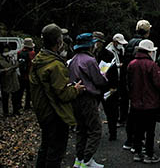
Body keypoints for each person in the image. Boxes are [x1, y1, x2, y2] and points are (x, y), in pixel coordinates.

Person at [30, 23, 85, 168]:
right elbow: (63, 94)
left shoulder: (39, 59)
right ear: (59, 42)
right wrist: (76, 89)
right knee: (55, 153)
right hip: (56, 114)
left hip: (44, 111)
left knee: (46, 148)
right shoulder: (55, 65)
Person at [69, 33, 109, 168]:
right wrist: (104, 76)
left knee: (81, 129)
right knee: (95, 128)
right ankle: (87, 160)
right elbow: (98, 80)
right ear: (89, 46)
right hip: (88, 97)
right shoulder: (90, 60)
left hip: (76, 97)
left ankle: (78, 159)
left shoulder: (73, 59)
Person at [128, 38, 160, 164]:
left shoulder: (131, 64)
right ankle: (149, 154)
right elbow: (158, 84)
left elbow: (129, 83)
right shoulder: (152, 65)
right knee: (150, 130)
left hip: (136, 102)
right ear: (149, 51)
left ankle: (137, 152)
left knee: (138, 129)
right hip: (151, 102)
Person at [122, 19, 152, 150]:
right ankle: (138, 141)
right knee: (141, 115)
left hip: (130, 81)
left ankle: (129, 139)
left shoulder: (129, 43)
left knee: (132, 112)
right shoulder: (144, 44)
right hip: (141, 83)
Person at [93, 31, 120, 141]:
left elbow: (113, 71)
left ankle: (112, 133)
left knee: (110, 111)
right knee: (93, 110)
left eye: (97, 41)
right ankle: (94, 132)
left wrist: (113, 86)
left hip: (106, 85)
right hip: (94, 86)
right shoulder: (90, 54)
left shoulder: (109, 54)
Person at [0, 42, 21, 116]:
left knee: (15, 97)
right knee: (5, 97)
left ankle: (16, 111)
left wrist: (16, 65)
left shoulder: (11, 58)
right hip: (5, 80)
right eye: (5, 51)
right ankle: (5, 112)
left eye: (7, 51)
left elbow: (16, 63)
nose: (7, 52)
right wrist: (5, 70)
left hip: (14, 79)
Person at [16, 37, 36, 111]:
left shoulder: (19, 52)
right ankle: (27, 105)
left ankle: (18, 104)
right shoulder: (32, 53)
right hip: (28, 75)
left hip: (21, 75)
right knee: (28, 91)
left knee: (20, 91)